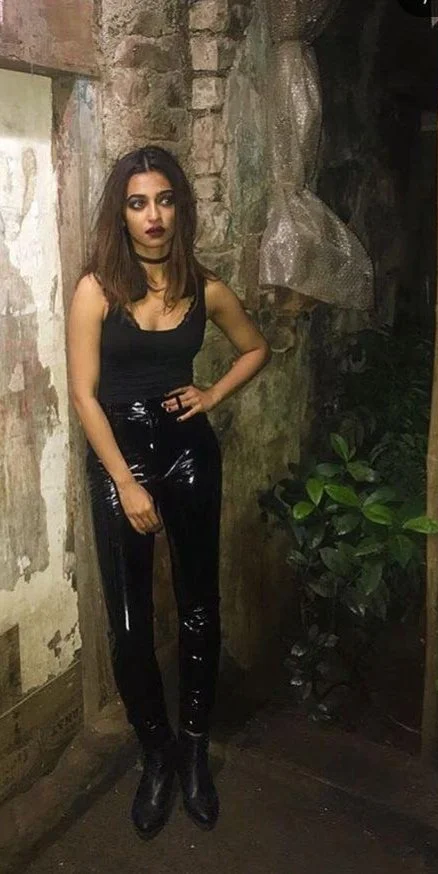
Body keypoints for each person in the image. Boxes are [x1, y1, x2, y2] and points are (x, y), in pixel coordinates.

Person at [68, 146, 270, 839]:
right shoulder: (97, 289)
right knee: (129, 624)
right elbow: (84, 395)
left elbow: (255, 348)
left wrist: (212, 393)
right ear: (120, 214)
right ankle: (155, 753)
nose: (152, 215)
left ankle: (193, 751)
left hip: (188, 452)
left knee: (199, 606)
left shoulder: (204, 288)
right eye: (137, 202)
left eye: (163, 199)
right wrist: (124, 482)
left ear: (179, 207)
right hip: (118, 455)